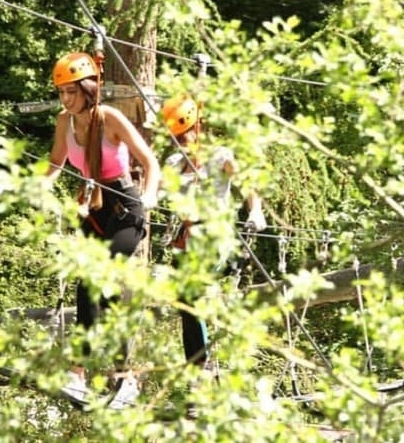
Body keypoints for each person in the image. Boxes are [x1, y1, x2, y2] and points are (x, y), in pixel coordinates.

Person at [46, 51, 161, 408]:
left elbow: (149, 161)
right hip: (94, 210)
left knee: (96, 280)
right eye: (61, 93)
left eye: (71, 92)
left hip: (124, 207)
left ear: (88, 89)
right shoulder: (65, 123)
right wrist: (32, 186)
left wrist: (150, 194)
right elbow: (55, 163)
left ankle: (87, 374)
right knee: (97, 292)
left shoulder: (109, 118)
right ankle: (117, 378)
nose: (66, 99)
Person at [160, 95, 266, 367]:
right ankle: (197, 371)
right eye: (177, 138)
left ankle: (200, 370)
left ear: (197, 128)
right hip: (186, 240)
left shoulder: (220, 156)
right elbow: (158, 186)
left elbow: (247, 183)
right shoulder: (173, 163)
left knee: (189, 293)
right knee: (186, 303)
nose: (181, 143)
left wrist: (255, 211)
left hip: (215, 236)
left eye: (185, 136)